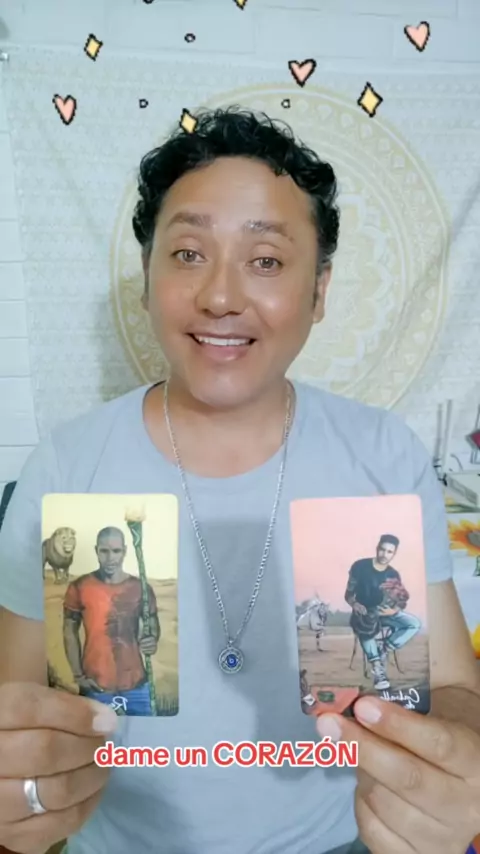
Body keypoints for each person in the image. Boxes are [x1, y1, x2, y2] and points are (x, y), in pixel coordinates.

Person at [0, 107, 479, 854]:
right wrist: (20, 791)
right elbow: (17, 701)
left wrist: (454, 764)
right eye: (188, 253)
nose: (220, 296)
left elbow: (453, 687)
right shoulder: (66, 464)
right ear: (147, 278)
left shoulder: (384, 456)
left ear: (319, 292)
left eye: (266, 260)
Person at [62, 526, 160, 716]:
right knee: (96, 735)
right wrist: (78, 676)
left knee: (146, 732)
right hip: (95, 686)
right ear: (96, 551)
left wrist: (152, 639)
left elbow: (153, 624)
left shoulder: (141, 588)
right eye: (104, 551)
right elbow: (69, 631)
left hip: (137, 685)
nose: (110, 558)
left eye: (116, 551)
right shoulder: (80, 587)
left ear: (124, 551)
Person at [344, 534, 420, 690]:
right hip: (364, 613)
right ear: (377, 548)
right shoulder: (359, 566)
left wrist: (394, 610)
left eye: (389, 552)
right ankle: (378, 668)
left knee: (414, 624)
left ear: (394, 553)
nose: (385, 555)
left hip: (384, 613)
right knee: (365, 628)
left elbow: (401, 599)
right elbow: (349, 594)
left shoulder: (393, 574)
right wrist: (355, 604)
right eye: (382, 550)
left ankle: (384, 649)